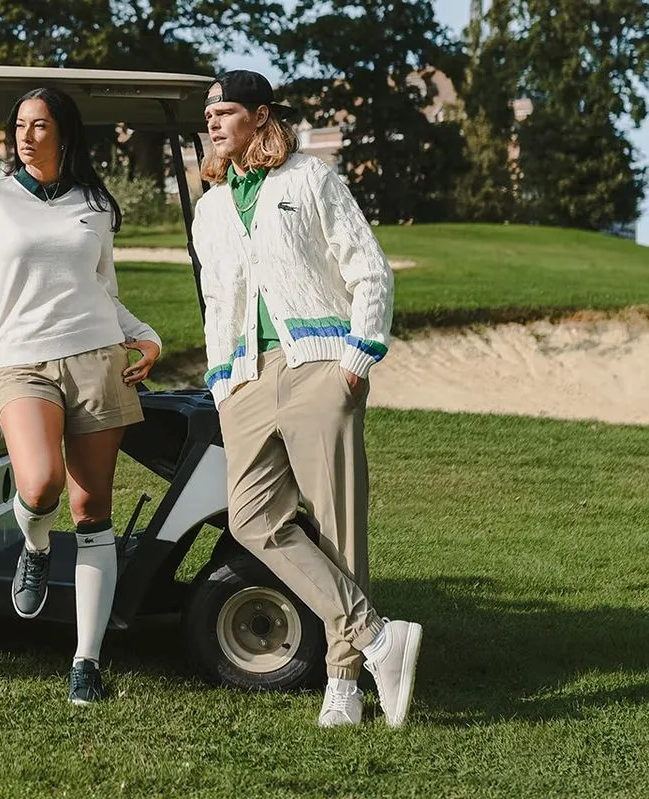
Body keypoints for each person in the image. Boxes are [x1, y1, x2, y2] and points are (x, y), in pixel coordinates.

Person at [0, 87, 161, 705]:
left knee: (92, 509)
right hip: (22, 363)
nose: (25, 135)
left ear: (63, 133)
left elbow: (103, 289)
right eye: (19, 125)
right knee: (40, 483)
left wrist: (146, 334)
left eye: (39, 125)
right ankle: (37, 544)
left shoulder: (94, 202)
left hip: (98, 357)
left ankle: (86, 660)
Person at [192, 70, 422, 727]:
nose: (213, 122)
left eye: (225, 111)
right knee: (251, 518)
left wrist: (358, 356)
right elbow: (218, 302)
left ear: (260, 115)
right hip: (244, 379)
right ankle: (377, 636)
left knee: (336, 526)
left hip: (319, 365)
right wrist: (220, 381)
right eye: (208, 115)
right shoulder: (210, 208)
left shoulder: (310, 178)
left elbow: (368, 268)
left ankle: (343, 684)